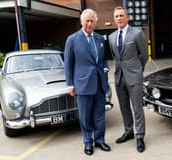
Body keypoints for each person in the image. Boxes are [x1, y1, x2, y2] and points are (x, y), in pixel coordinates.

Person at [64, 8, 111, 156]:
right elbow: (68, 64)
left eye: (92, 21)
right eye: (87, 21)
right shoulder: (72, 39)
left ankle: (99, 140)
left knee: (99, 114)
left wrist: (105, 68)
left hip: (99, 83)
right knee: (85, 116)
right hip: (82, 85)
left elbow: (103, 59)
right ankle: (88, 142)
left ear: (96, 22)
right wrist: (70, 84)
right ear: (81, 22)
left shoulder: (100, 38)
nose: (89, 24)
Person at [108, 6, 148, 153]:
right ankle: (128, 131)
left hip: (134, 76)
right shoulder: (112, 37)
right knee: (124, 108)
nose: (119, 18)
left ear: (127, 17)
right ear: (114, 19)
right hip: (119, 77)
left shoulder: (137, 34)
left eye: (121, 15)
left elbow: (144, 56)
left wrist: (138, 70)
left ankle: (140, 136)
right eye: (116, 16)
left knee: (137, 108)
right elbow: (115, 57)